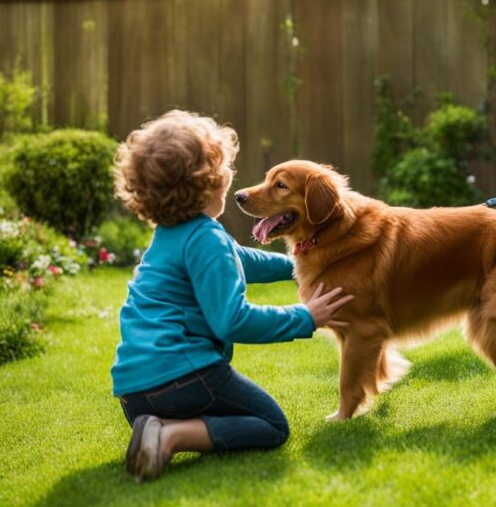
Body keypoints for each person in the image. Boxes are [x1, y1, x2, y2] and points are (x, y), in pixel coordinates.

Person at [110, 110, 353, 482]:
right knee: (270, 424)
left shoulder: (173, 234)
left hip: (135, 394)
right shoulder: (206, 239)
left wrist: (302, 264)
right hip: (185, 377)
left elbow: (245, 261)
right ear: (211, 182)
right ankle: (171, 435)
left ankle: (154, 426)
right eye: (224, 168)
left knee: (229, 411)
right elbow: (232, 320)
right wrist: (306, 317)